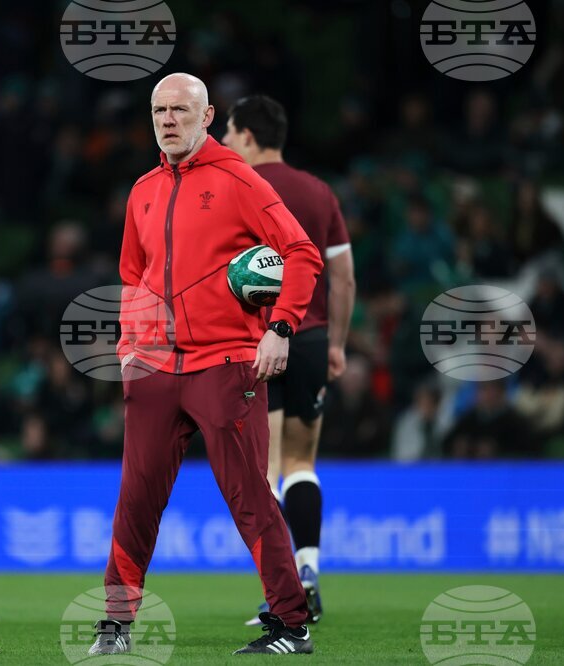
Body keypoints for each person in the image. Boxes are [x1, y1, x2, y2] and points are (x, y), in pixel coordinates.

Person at [90, 74, 323, 658]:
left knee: (249, 496)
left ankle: (291, 625)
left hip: (226, 364)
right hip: (155, 369)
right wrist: (128, 345)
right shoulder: (142, 189)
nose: (168, 121)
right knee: (136, 498)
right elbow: (131, 276)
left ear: (208, 115)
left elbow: (302, 253)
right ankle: (114, 626)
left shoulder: (238, 178)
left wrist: (281, 327)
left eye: (179, 111)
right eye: (158, 111)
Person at [222, 94, 355, 625]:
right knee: (302, 462)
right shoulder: (319, 192)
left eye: (230, 133)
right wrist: (338, 343)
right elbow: (342, 277)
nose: (226, 143)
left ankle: (284, 594)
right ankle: (308, 571)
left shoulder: (235, 188)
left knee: (266, 468)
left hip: (255, 340)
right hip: (312, 338)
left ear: (249, 137)